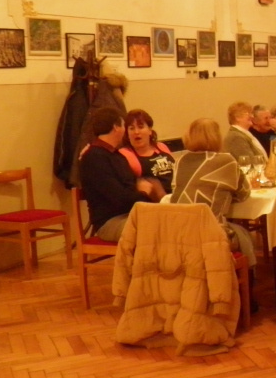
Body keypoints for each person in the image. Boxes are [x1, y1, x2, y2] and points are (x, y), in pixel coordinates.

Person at [171, 118, 256, 276]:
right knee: (243, 234)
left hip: (178, 233)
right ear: (216, 137)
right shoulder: (226, 161)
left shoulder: (180, 161)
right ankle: (245, 284)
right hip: (210, 234)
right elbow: (244, 193)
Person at [79, 107, 160, 241]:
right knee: (153, 227)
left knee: (169, 221)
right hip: (110, 222)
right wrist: (143, 193)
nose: (125, 130)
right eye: (124, 125)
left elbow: (131, 187)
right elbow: (119, 198)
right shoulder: (94, 157)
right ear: (116, 127)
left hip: (130, 214)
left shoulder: (117, 156)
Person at [119, 109, 175, 194]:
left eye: (140, 127)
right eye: (132, 128)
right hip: (152, 199)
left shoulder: (161, 147)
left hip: (175, 194)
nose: (136, 132)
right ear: (127, 133)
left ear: (150, 130)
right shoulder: (125, 154)